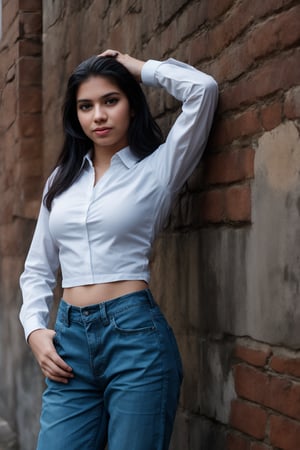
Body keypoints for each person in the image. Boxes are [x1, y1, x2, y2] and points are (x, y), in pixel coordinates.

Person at [19, 49, 218, 450]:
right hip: (69, 342)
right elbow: (38, 269)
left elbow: (204, 90)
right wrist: (35, 329)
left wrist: (139, 69)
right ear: (75, 115)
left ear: (131, 104)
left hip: (135, 341)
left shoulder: (158, 169)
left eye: (111, 100)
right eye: (86, 106)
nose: (99, 116)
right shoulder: (61, 181)